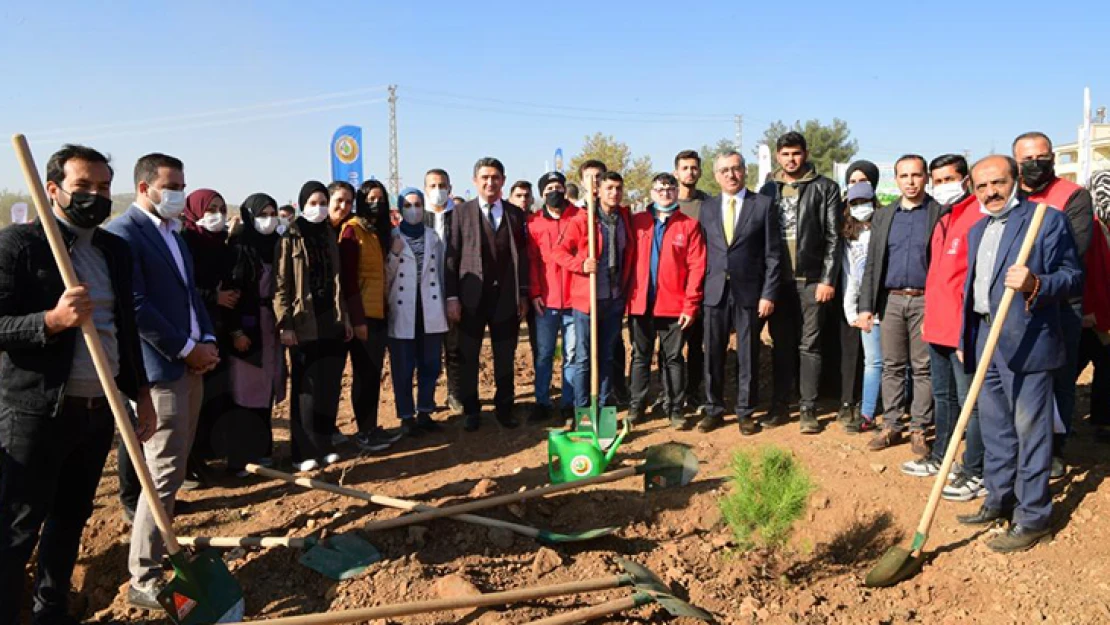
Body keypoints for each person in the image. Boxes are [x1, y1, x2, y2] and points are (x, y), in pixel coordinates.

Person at [0, 144, 155, 625]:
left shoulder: (114, 250)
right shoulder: (19, 247)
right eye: (83, 186)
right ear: (53, 190)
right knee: (18, 525)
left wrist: (142, 394)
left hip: (97, 410)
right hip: (37, 412)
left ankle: (52, 610)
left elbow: (124, 329)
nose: (95, 196)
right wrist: (51, 319)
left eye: (103, 187)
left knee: (70, 518)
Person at [106, 153, 220, 609]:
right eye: (170, 185)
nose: (177, 193)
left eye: (181, 185)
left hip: (190, 364)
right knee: (162, 474)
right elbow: (134, 308)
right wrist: (185, 349)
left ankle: (159, 554)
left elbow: (190, 294)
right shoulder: (124, 234)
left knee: (172, 471)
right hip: (159, 372)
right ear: (144, 187)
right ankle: (145, 575)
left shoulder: (174, 233)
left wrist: (206, 339)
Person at [955, 155, 1082, 553]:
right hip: (984, 338)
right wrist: (966, 338)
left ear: (1015, 182)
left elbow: (1073, 276)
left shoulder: (1045, 220)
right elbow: (974, 288)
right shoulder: (978, 230)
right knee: (996, 430)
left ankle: (1033, 517)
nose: (991, 192)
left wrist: (1035, 284)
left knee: (1031, 432)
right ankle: (999, 499)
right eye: (982, 186)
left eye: (998, 183)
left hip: (1028, 340)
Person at [1013, 132, 1096, 476]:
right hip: (1016, 303)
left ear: (1052, 158)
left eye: (1042, 157)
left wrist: (1031, 276)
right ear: (1017, 162)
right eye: (1027, 160)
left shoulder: (1072, 196)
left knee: (1059, 379)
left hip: (1061, 303)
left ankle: (1055, 450)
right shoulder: (1012, 196)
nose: (1035, 164)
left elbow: (1073, 251)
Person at [758, 132, 843, 432]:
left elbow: (834, 237)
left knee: (811, 345)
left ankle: (808, 408)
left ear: (805, 154)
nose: (791, 159)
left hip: (811, 281)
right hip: (778, 282)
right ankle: (779, 406)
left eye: (796, 153)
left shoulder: (825, 188)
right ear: (778, 156)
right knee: (781, 345)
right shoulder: (768, 190)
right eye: (785, 154)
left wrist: (827, 278)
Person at [858, 155, 941, 458]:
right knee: (891, 366)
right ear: (896, 179)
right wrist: (866, 306)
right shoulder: (885, 215)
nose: (910, 181)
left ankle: (919, 428)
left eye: (916, 175)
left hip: (925, 300)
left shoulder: (938, 212)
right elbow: (872, 264)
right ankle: (891, 424)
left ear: (926, 177)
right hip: (891, 299)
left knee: (922, 367)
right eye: (904, 175)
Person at [918, 155, 988, 498]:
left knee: (971, 403)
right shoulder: (944, 216)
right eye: (938, 179)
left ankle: (977, 469)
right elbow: (939, 276)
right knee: (943, 397)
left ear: (966, 180)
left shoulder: (979, 216)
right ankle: (942, 457)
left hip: (963, 331)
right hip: (937, 326)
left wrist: (967, 330)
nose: (943, 186)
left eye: (949, 178)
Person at [698, 152, 781, 434]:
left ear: (745, 171)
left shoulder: (763, 205)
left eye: (735, 169)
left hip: (750, 291)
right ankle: (713, 409)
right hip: (715, 291)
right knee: (713, 353)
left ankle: (745, 411)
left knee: (748, 353)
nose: (730, 175)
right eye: (724, 170)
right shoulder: (707, 208)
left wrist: (768, 294)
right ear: (716, 175)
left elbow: (773, 254)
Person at [445, 158, 529, 431]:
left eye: (495, 177)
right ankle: (471, 410)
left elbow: (524, 258)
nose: (490, 182)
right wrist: (452, 297)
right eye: (484, 177)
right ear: (475, 181)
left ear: (503, 180)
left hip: (505, 298)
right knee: (469, 355)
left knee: (505, 354)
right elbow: (452, 257)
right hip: (470, 299)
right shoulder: (460, 213)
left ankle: (505, 408)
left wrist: (523, 294)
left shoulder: (515, 215)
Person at [275, 181, 351, 472]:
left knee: (329, 385)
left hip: (330, 319)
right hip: (304, 322)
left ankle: (324, 444)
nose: (318, 208)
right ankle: (302, 451)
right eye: (313, 203)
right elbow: (282, 285)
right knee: (306, 389)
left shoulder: (330, 234)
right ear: (301, 205)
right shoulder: (290, 237)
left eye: (323, 202)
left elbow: (338, 281)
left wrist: (343, 317)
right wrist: (286, 324)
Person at [551, 171, 635, 421]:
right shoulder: (583, 220)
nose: (615, 193)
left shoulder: (623, 219)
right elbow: (558, 251)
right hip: (587, 301)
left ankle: (604, 409)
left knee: (607, 355)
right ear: (598, 190)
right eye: (609, 188)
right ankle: (582, 409)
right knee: (584, 357)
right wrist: (580, 264)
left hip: (614, 298)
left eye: (618, 189)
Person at [626, 173, 706, 428]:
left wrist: (690, 304)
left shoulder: (689, 225)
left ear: (676, 192)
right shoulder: (637, 222)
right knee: (640, 357)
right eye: (660, 189)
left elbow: (697, 267)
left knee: (673, 359)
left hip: (673, 306)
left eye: (670, 189)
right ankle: (636, 407)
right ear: (652, 192)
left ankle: (675, 408)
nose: (665, 193)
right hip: (641, 304)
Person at [223, 193, 286, 474]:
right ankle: (240, 456)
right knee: (244, 393)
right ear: (250, 215)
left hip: (272, 326)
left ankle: (262, 450)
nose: (268, 219)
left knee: (266, 390)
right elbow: (232, 295)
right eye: (262, 214)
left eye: (272, 213)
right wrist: (236, 330)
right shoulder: (239, 248)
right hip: (249, 326)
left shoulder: (277, 245)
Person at [338, 180, 403, 449]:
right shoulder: (352, 232)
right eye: (370, 199)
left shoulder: (375, 232)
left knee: (373, 373)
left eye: (380, 199)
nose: (376, 203)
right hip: (364, 314)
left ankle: (372, 426)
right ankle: (364, 432)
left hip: (379, 312)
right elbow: (350, 280)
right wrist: (358, 319)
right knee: (364, 375)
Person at [180, 189, 237, 486]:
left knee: (215, 395)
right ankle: (189, 462)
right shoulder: (185, 243)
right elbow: (182, 289)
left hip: (220, 329)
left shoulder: (222, 244)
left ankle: (208, 455)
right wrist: (213, 296)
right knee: (193, 405)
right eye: (210, 208)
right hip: (193, 331)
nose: (216, 214)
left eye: (220, 208)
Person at [387, 188, 449, 436]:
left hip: (430, 309)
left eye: (417, 204)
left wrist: (448, 303)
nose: (413, 210)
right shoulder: (392, 236)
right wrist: (394, 253)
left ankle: (425, 410)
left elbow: (441, 273)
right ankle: (406, 416)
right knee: (402, 367)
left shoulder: (433, 237)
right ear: (400, 208)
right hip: (403, 310)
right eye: (408, 205)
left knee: (430, 364)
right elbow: (387, 276)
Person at [527, 172, 581, 423]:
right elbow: (533, 262)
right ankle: (542, 401)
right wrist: (535, 293)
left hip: (574, 300)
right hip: (546, 301)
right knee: (544, 353)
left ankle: (568, 402)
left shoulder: (579, 219)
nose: (555, 191)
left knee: (571, 353)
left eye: (558, 186)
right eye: (549, 187)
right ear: (542, 193)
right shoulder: (534, 224)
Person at [838, 176, 881, 434]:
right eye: (855, 202)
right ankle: (867, 413)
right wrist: (851, 312)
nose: (861, 206)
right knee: (874, 362)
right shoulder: (851, 237)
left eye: (865, 201)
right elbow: (850, 277)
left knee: (899, 365)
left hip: (888, 305)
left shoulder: (883, 228)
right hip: (866, 309)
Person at [423, 169, 463, 414]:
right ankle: (426, 399)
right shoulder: (418, 217)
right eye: (433, 185)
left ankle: (455, 394)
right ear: (425, 188)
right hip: (426, 295)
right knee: (428, 353)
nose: (438, 190)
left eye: (442, 185)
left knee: (456, 349)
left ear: (450, 188)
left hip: (454, 293)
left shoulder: (459, 216)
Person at [675, 149, 711, 411]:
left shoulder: (709, 205)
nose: (690, 172)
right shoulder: (666, 205)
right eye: (685, 168)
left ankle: (694, 391)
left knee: (697, 345)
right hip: (671, 288)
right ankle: (671, 393)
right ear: (677, 172)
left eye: (694, 168)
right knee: (671, 347)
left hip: (702, 286)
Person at [1081, 171, 1110, 442]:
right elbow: (1088, 274)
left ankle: (1102, 420)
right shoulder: (1089, 227)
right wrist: (1090, 311)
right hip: (1089, 314)